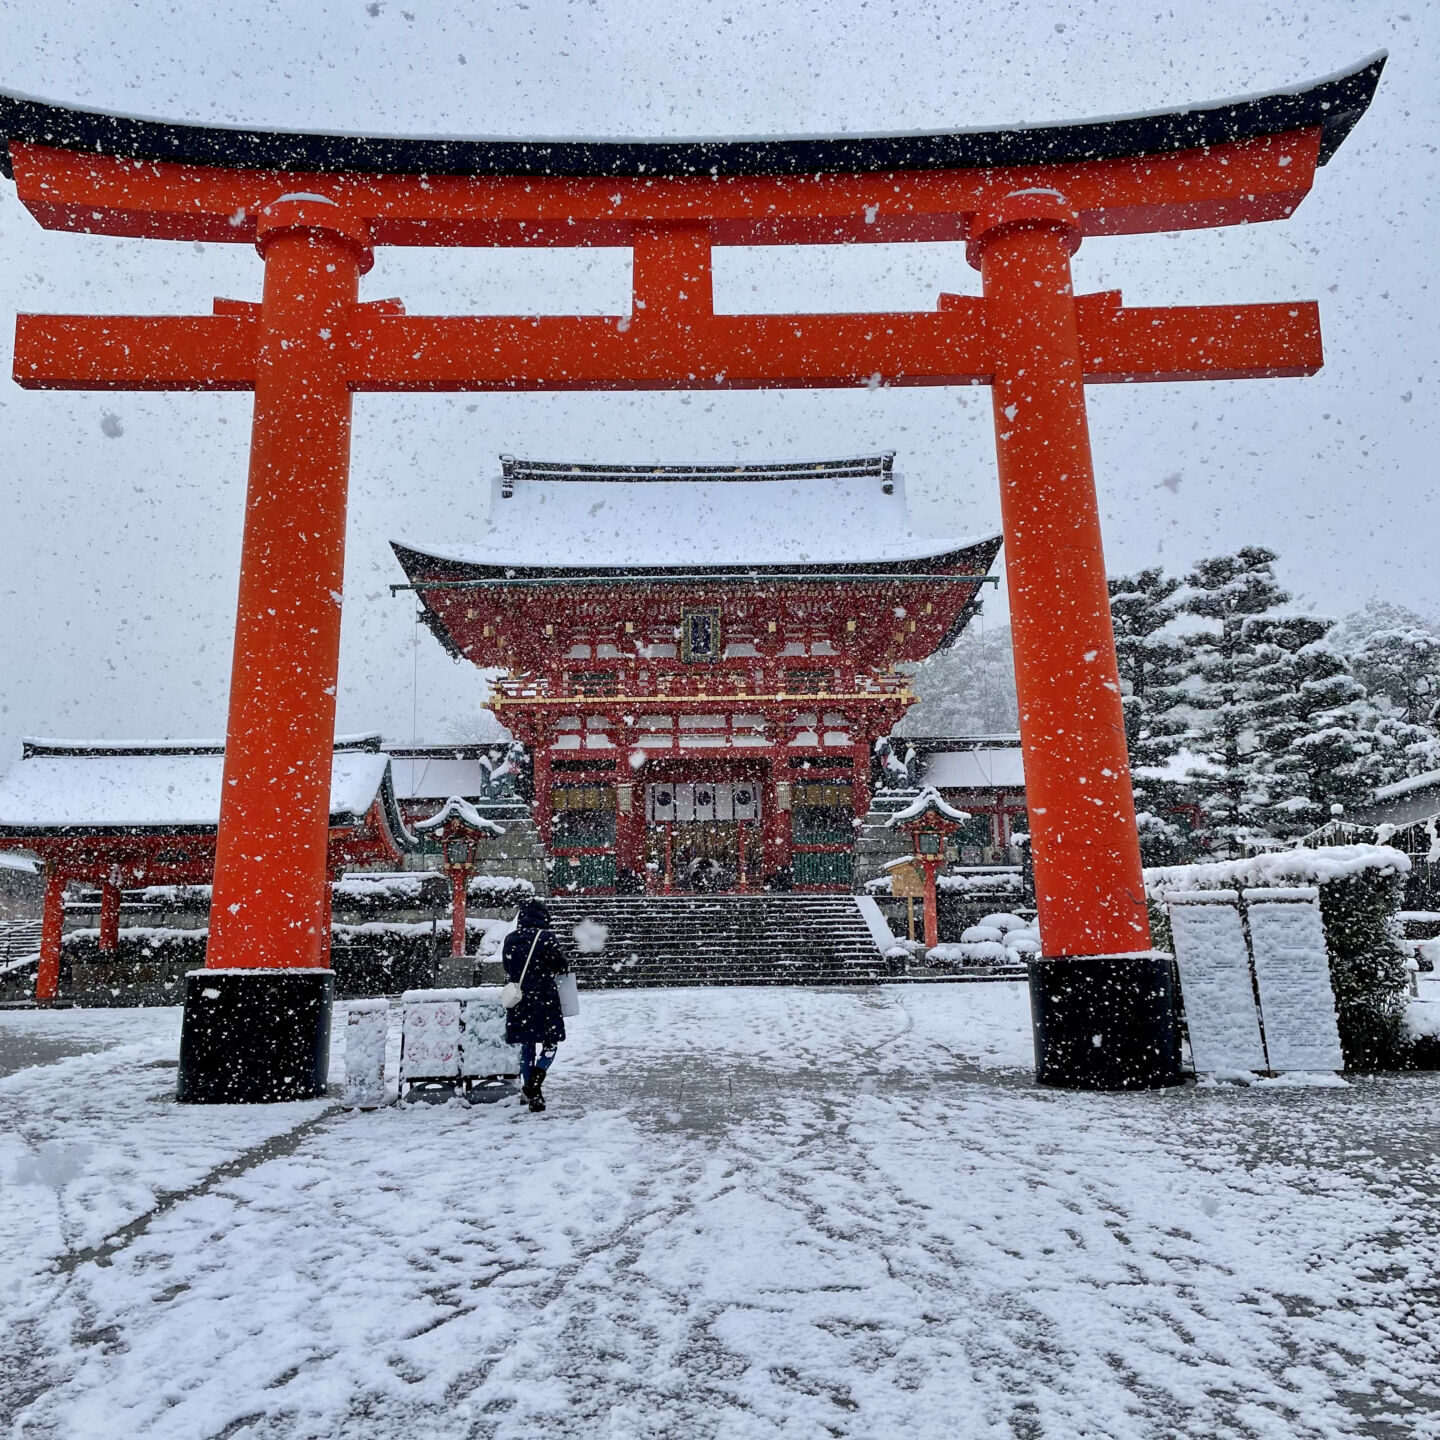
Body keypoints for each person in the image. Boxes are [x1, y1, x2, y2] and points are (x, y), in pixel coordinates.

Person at [502, 898, 569, 1112]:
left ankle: (533, 1094)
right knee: (550, 1044)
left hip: (520, 998)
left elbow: (507, 967)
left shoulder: (511, 939)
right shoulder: (546, 937)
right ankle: (534, 1084)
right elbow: (559, 965)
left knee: (526, 1045)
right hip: (544, 997)